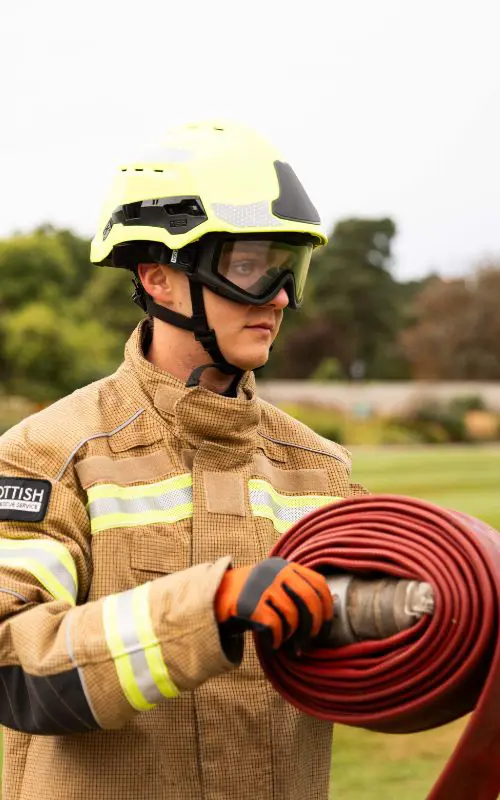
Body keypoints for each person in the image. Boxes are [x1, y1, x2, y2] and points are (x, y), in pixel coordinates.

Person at [0, 121, 366, 800]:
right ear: (159, 277)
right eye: (251, 266)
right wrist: (212, 605)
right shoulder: (48, 455)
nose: (281, 296)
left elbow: (372, 670)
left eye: (290, 267)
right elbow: (14, 669)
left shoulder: (323, 470)